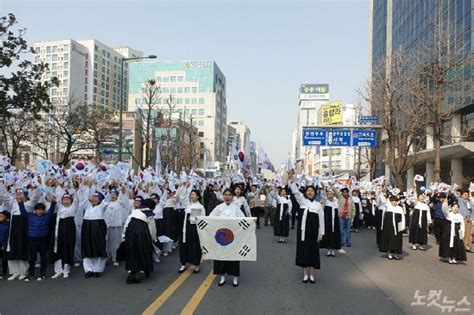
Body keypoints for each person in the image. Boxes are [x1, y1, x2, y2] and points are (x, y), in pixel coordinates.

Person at [290, 180, 325, 284]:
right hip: (303, 232)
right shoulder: (302, 201)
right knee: (303, 252)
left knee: (313, 252)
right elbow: (295, 191)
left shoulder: (318, 205)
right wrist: (292, 179)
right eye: (308, 191)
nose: (310, 192)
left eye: (312, 191)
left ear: (315, 193)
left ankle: (312, 275)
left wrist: (321, 233)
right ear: (305, 192)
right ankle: (305, 274)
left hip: (314, 233)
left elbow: (321, 220)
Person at [209, 188, 245, 287]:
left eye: (229, 195)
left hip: (233, 237)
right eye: (225, 195)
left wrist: (252, 221)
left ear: (232, 197)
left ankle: (235, 278)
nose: (227, 197)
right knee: (221, 257)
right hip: (221, 238)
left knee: (233, 257)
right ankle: (222, 277)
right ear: (223, 196)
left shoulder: (236, 208)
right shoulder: (219, 207)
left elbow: (243, 219)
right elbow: (211, 218)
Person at [19, 199, 57, 281]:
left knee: (43, 258)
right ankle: (30, 274)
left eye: (41, 210)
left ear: (44, 210)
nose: (40, 211)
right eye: (38, 210)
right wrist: (20, 203)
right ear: (35, 210)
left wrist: (53, 202)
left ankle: (42, 274)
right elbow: (23, 211)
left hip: (43, 240)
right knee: (31, 258)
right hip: (32, 240)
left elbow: (51, 210)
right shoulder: (30, 216)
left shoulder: (47, 216)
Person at [122, 198, 156, 284]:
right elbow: (152, 227)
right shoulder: (149, 213)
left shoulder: (135, 211)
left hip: (130, 231)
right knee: (144, 251)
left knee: (132, 252)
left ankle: (132, 273)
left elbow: (127, 223)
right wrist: (153, 238)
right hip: (142, 232)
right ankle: (146, 269)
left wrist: (123, 235)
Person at [50, 193, 80, 279]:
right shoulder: (59, 207)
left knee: (68, 249)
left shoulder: (73, 208)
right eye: (64, 200)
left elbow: (76, 201)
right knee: (57, 250)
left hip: (69, 231)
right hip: (58, 231)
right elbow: (56, 199)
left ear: (71, 201)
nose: (66, 201)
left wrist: (76, 190)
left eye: (68, 200)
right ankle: (58, 271)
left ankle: (66, 270)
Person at [81, 188, 109, 278]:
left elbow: (107, 199)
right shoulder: (87, 207)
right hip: (86, 227)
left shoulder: (101, 207)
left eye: (96, 198)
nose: (93, 199)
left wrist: (109, 188)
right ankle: (88, 269)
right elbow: (84, 198)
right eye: (92, 197)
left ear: (100, 200)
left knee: (98, 248)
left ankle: (97, 269)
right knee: (87, 247)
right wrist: (86, 186)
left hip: (98, 229)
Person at [178, 190, 205, 273]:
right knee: (183, 244)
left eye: (193, 194)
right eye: (191, 194)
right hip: (185, 228)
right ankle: (183, 263)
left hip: (194, 228)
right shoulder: (188, 205)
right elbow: (181, 197)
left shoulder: (200, 207)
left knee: (195, 245)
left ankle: (197, 264)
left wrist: (193, 219)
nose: (191, 196)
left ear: (197, 196)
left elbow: (202, 218)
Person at [104, 188, 130, 267]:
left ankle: (115, 258)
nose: (112, 195)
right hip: (107, 225)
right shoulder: (106, 203)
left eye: (114, 194)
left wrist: (123, 193)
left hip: (116, 225)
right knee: (107, 242)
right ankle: (107, 257)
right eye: (111, 194)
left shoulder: (120, 203)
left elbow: (126, 205)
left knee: (116, 242)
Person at [379, 195, 405, 260]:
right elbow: (383, 217)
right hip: (388, 227)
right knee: (389, 239)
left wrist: (402, 227)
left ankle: (395, 253)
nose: (394, 202)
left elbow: (403, 218)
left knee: (397, 240)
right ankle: (389, 252)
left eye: (395, 201)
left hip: (397, 226)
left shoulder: (400, 208)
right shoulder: (387, 208)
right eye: (392, 201)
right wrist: (382, 226)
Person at [409, 184, 432, 251]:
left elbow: (428, 214)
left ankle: (421, 244)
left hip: (423, 221)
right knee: (415, 230)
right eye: (420, 197)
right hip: (416, 220)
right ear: (418, 198)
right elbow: (414, 197)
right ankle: (414, 243)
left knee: (422, 232)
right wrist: (415, 188)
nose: (422, 198)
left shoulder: (426, 206)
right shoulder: (416, 204)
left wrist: (429, 221)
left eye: (423, 197)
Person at [319, 188, 341, 257]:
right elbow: (322, 195)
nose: (330, 195)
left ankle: (333, 250)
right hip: (327, 221)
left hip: (335, 221)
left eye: (331, 194)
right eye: (328, 194)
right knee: (328, 234)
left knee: (334, 234)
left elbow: (339, 196)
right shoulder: (325, 202)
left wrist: (333, 188)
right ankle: (328, 250)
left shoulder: (336, 201)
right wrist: (323, 188)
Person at [333, 187, 355, 251]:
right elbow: (335, 191)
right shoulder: (340, 197)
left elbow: (353, 208)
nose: (345, 193)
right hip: (341, 215)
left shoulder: (351, 199)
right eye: (344, 192)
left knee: (348, 230)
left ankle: (348, 242)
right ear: (342, 193)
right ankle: (342, 241)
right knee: (341, 230)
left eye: (346, 192)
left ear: (348, 193)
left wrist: (353, 215)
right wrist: (332, 186)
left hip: (348, 216)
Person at [0, 211, 11, 279]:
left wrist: (4, 244)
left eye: (2, 216)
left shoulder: (8, 225)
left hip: (4, 244)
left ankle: (4, 272)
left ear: (6, 217)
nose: (0, 217)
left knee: (4, 259)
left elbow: (7, 236)